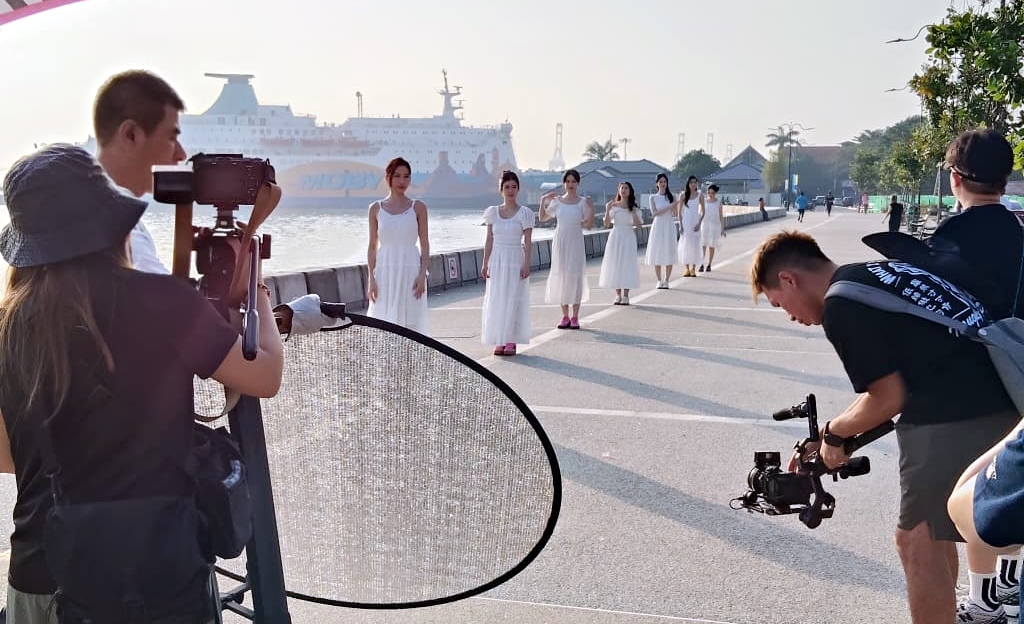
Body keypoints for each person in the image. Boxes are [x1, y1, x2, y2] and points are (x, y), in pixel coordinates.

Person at [0, 144, 284, 623]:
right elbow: (264, 375)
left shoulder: (8, 326)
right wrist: (253, 284)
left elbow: (7, 456)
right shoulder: (164, 302)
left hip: (45, 579)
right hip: (159, 577)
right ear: (113, 227)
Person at [750, 230, 1019, 624]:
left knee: (915, 539)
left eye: (780, 303)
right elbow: (889, 385)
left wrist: (838, 435)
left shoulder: (841, 304)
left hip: (954, 412)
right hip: (996, 396)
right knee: (935, 531)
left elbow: (888, 398)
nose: (790, 315)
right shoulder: (873, 274)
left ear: (789, 279)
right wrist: (831, 434)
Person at [93, 70, 188, 274]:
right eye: (171, 138)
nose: (181, 154)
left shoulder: (91, 207)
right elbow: (173, 301)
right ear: (131, 135)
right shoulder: (119, 227)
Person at [367, 157, 431, 334]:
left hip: (411, 269)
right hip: (385, 270)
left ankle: (411, 360)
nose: (402, 181)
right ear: (388, 177)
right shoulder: (375, 208)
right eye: (397, 176)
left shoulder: (418, 207)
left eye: (406, 176)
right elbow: (372, 246)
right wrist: (371, 279)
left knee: (411, 320)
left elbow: (425, 244)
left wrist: (422, 275)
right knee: (384, 319)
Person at [481, 170, 535, 356]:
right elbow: (489, 239)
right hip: (497, 259)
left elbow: (527, 242)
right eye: (506, 187)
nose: (510, 190)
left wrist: (527, 263)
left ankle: (511, 339)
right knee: (498, 298)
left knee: (514, 299)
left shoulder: (525, 213)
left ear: (518, 189)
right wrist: (485, 262)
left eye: (513, 187)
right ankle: (499, 338)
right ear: (501, 190)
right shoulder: (492, 213)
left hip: (515, 258)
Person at [539, 169, 594, 329]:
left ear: (578, 183)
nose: (570, 185)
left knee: (575, 276)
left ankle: (575, 317)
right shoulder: (557, 201)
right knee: (561, 275)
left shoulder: (583, 202)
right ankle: (565, 316)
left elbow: (589, 225)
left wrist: (591, 209)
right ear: (564, 183)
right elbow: (543, 218)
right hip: (561, 239)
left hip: (576, 239)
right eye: (568, 181)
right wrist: (543, 200)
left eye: (573, 182)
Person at [598, 181, 642, 305]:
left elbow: (639, 226)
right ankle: (617, 295)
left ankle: (626, 295)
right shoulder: (613, 206)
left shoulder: (634, 207)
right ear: (618, 191)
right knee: (615, 263)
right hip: (616, 235)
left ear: (630, 191)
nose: (624, 190)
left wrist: (633, 212)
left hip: (628, 236)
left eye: (626, 188)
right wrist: (607, 210)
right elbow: (606, 224)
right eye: (622, 188)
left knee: (627, 264)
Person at [645, 173, 678, 289]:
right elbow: (654, 213)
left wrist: (675, 204)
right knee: (657, 252)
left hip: (669, 225)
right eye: (660, 182)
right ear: (657, 184)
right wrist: (671, 205)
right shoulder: (652, 197)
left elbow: (675, 213)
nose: (663, 184)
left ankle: (667, 280)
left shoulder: (672, 197)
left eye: (664, 182)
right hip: (658, 225)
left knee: (669, 251)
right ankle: (659, 280)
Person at [677, 176, 703, 277]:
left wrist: (699, 223)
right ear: (688, 184)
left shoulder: (700, 195)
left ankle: (693, 268)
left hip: (695, 220)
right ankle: (687, 268)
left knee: (695, 244)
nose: (693, 184)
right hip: (686, 221)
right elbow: (679, 212)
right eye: (691, 182)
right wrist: (680, 225)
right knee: (686, 244)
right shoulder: (683, 195)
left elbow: (703, 211)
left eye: (695, 182)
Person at [699, 184, 726, 272]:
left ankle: (709, 264)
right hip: (704, 225)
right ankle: (701, 263)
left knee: (711, 246)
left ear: (715, 193)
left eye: (712, 193)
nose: (710, 194)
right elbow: (700, 214)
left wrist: (722, 229)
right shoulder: (704, 201)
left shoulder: (718, 202)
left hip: (714, 226)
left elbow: (721, 216)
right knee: (703, 245)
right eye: (709, 192)